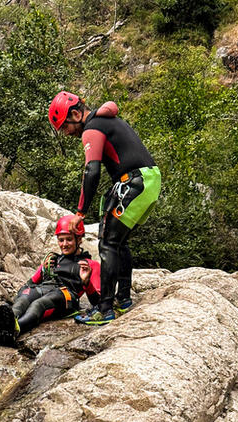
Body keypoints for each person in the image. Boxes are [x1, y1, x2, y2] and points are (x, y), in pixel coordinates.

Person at [48, 91, 161, 325]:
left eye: (65, 127)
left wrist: (80, 212)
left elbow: (92, 171)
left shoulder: (92, 128)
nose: (67, 133)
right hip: (150, 180)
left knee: (108, 242)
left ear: (76, 114)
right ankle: (124, 298)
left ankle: (105, 309)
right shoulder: (105, 120)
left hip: (134, 181)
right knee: (119, 242)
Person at [0, 215, 101, 347]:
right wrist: (26, 291)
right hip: (45, 288)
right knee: (24, 299)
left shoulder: (90, 265)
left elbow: (98, 302)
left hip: (66, 295)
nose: (64, 244)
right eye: (61, 240)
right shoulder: (52, 260)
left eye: (69, 240)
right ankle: (0, 327)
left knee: (39, 304)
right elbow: (31, 282)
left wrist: (86, 283)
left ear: (79, 239)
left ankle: (14, 330)